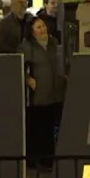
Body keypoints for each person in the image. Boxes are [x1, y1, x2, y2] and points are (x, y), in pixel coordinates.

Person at [20, 16, 66, 167]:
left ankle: (50, 159)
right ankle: (37, 159)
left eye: (43, 26)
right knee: (40, 127)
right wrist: (28, 79)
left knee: (52, 126)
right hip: (38, 94)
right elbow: (19, 66)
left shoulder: (54, 43)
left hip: (56, 91)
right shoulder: (28, 46)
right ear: (32, 32)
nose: (42, 29)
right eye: (38, 27)